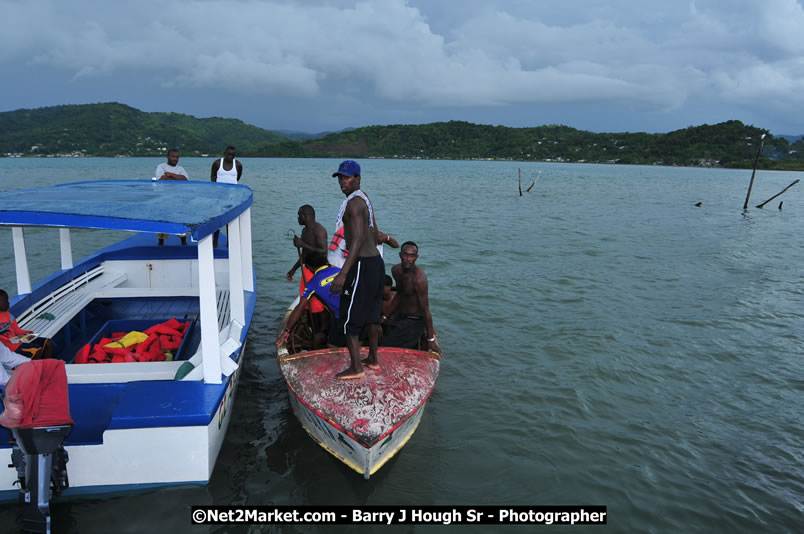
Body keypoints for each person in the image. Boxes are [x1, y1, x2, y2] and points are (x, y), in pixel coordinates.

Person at [328, 160, 385, 380]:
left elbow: (359, 239)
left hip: (361, 263)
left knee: (349, 317)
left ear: (358, 178)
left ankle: (356, 368)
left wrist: (343, 273)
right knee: (372, 315)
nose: (343, 182)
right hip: (375, 263)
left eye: (347, 177)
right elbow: (375, 231)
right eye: (340, 178)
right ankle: (372, 359)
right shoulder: (364, 199)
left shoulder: (353, 205)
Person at [382, 241, 441, 354]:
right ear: (400, 255)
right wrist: (385, 316)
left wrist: (430, 339)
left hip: (415, 321)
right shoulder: (396, 270)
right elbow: (400, 294)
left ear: (416, 258)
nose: (408, 259)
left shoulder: (419, 279)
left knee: (387, 347)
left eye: (412, 256)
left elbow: (425, 310)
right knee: (382, 332)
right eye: (405, 255)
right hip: (400, 316)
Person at [276, 253, 344, 349]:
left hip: (344, 316)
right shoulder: (339, 271)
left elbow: (300, 307)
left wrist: (287, 330)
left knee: (332, 344)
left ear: (308, 267)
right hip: (361, 308)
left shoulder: (312, 284)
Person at [286, 205, 329, 332]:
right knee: (306, 302)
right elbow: (305, 254)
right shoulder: (305, 231)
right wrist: (294, 269)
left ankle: (320, 330)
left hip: (319, 272)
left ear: (305, 216)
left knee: (318, 305)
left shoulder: (319, 230)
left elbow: (323, 251)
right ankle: (311, 326)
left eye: (299, 215)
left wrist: (302, 244)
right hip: (308, 269)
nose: (298, 218)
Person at [0, 290, 53, 359]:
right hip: (9, 347)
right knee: (36, 350)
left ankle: (46, 366)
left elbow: (16, 330)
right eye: (5, 301)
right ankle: (39, 368)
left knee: (48, 343)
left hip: (17, 340)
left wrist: (27, 333)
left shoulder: (9, 315)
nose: (8, 303)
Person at [211, 146, 243, 247]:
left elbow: (238, 177)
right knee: (218, 219)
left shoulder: (238, 164)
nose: (230, 157)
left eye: (232, 155)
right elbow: (212, 177)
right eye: (228, 154)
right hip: (219, 196)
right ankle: (215, 240)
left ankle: (229, 241)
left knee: (230, 219)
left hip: (232, 197)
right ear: (224, 153)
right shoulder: (217, 163)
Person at [155, 149, 189, 245]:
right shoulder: (161, 166)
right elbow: (162, 179)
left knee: (181, 222)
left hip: (178, 200)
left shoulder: (181, 169)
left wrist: (171, 174)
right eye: (173, 156)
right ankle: (161, 242)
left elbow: (185, 179)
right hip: (163, 199)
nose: (175, 159)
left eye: (177, 157)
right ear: (168, 156)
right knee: (162, 222)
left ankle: (183, 242)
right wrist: (177, 178)